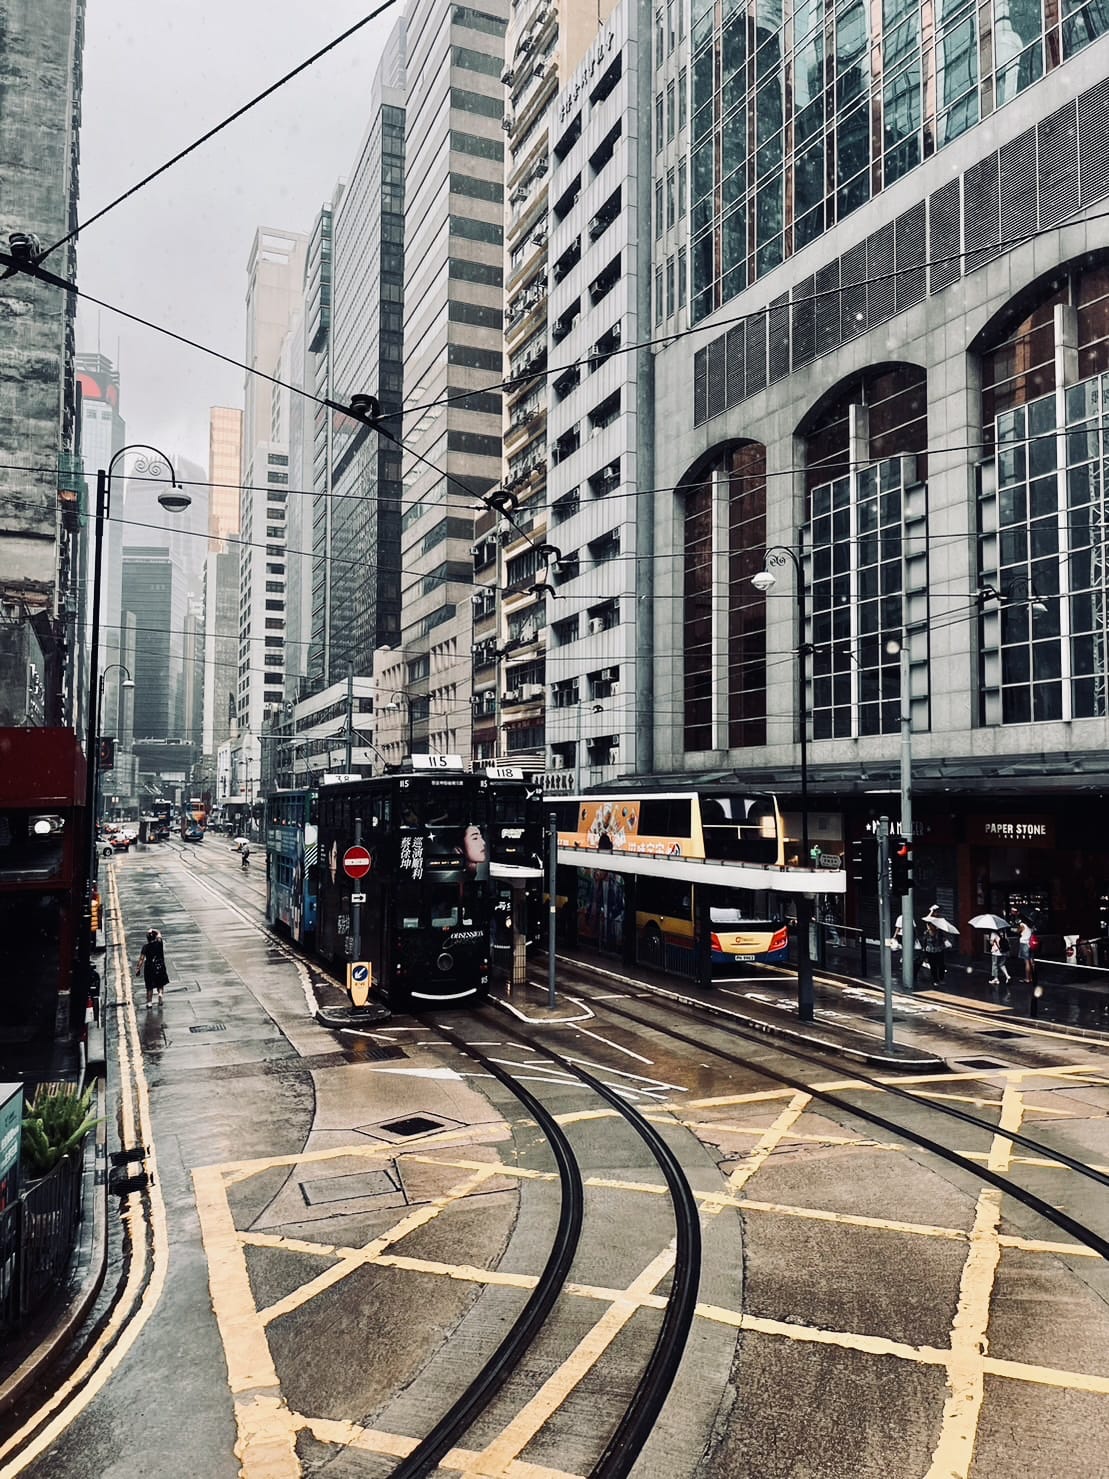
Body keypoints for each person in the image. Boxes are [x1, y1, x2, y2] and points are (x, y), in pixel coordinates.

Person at [135, 928, 169, 1008]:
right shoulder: (159, 943)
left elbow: (141, 959)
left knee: (149, 986)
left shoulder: (145, 947)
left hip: (149, 968)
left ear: (147, 938)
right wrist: (154, 930)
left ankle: (149, 1002)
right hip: (160, 966)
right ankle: (160, 994)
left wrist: (138, 968)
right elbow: (159, 933)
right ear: (155, 937)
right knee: (160, 983)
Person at [918, 920, 947, 984]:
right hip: (930, 952)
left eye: (932, 925)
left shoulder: (939, 932)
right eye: (929, 925)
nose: (931, 927)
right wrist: (924, 953)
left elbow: (943, 940)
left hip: (939, 951)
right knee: (933, 966)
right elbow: (924, 943)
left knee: (941, 965)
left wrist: (945, 943)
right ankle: (935, 980)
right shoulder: (926, 933)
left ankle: (941, 979)